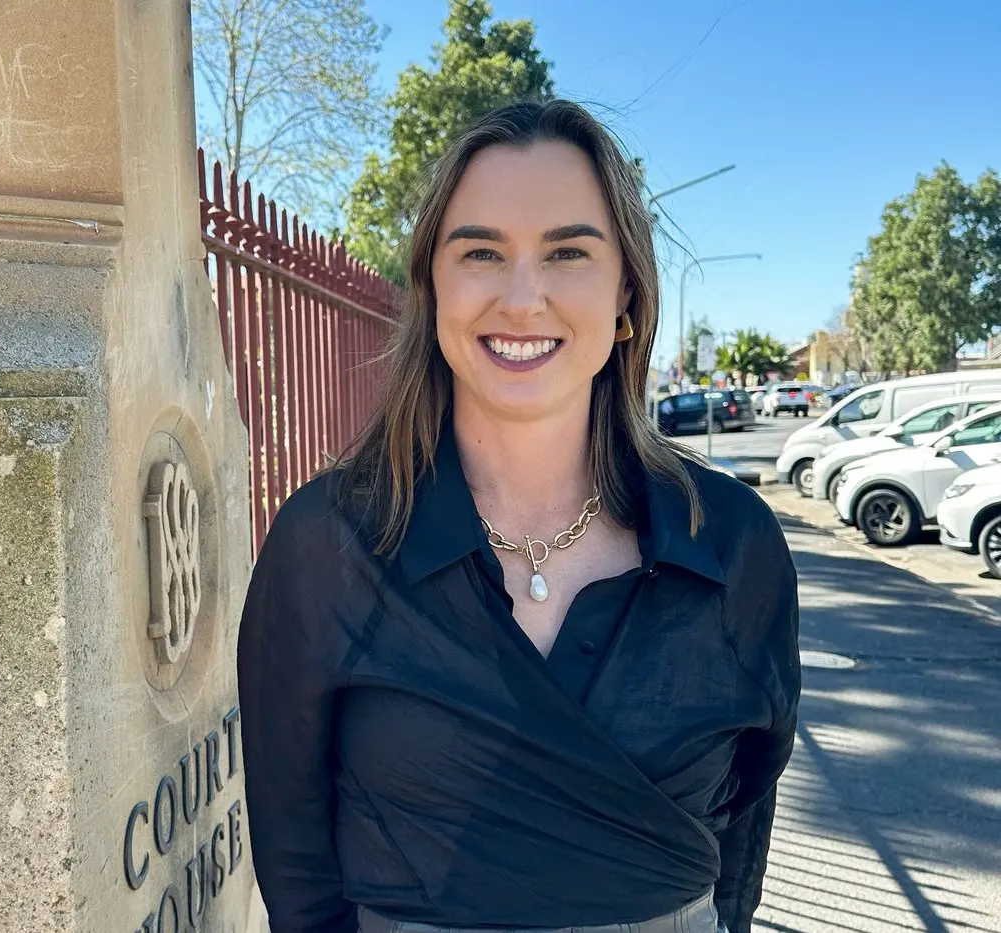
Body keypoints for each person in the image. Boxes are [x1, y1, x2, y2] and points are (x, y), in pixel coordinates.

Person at [236, 100, 800, 933]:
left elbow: (743, 826)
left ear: (626, 297)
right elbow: (295, 861)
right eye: (482, 252)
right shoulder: (329, 544)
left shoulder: (734, 543)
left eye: (568, 251)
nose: (523, 295)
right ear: (433, 286)